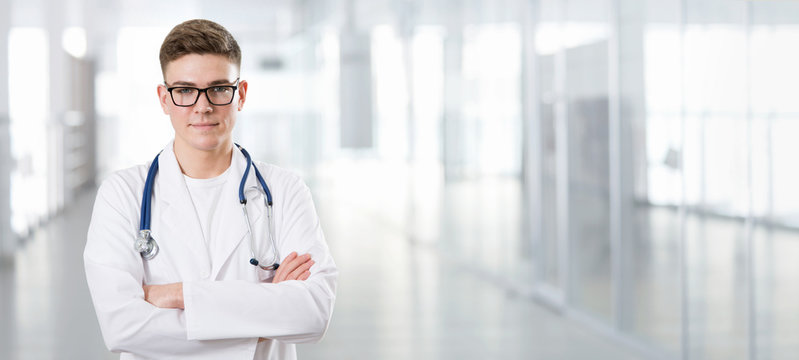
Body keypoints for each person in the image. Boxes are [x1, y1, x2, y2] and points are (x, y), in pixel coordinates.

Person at [83, 19, 337, 360]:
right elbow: (123, 328)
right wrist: (263, 317)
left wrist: (179, 295)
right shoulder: (122, 195)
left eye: (218, 88)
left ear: (241, 94)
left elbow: (313, 313)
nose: (202, 106)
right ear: (164, 98)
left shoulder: (286, 190)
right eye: (185, 90)